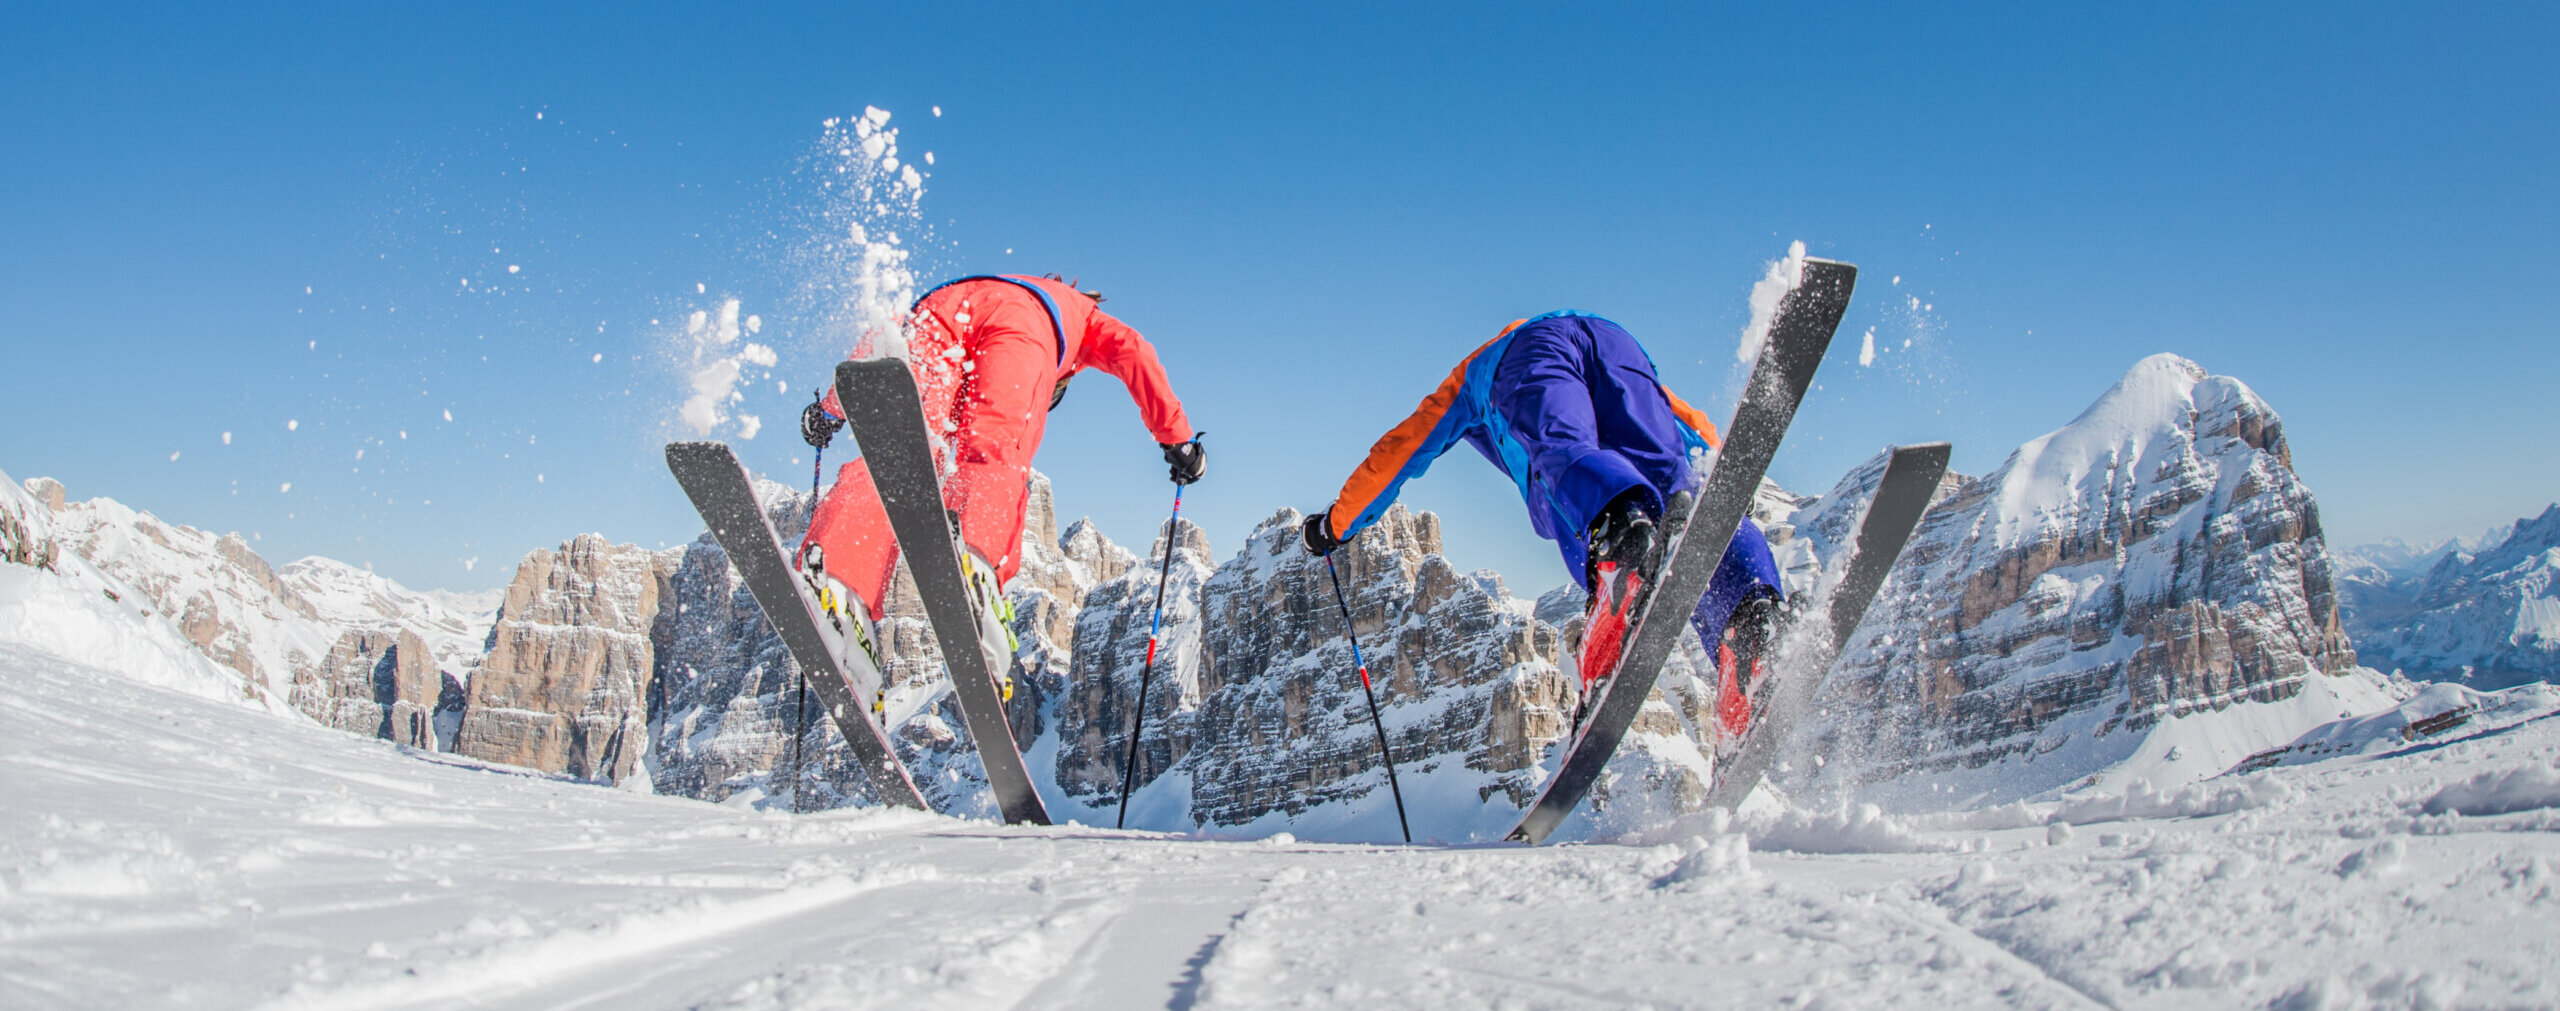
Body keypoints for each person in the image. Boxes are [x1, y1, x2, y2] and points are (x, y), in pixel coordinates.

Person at [1299, 310, 1781, 733]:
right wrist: (1711, 463)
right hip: (1617, 341)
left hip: (1527, 358)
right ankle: (1751, 624)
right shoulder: (1586, 332)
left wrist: (1334, 527)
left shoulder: (1475, 374)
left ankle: (1618, 554)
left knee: (1561, 466)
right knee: (1679, 491)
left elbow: (1398, 453)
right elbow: (1679, 419)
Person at [798, 274, 1203, 696]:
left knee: (895, 454)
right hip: (1022, 328)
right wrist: (1178, 441)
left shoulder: (988, 284)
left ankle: (837, 577)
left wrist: (830, 410)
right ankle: (975, 563)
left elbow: (886, 344)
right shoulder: (1077, 314)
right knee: (993, 449)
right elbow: (1133, 350)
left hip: (937, 308)